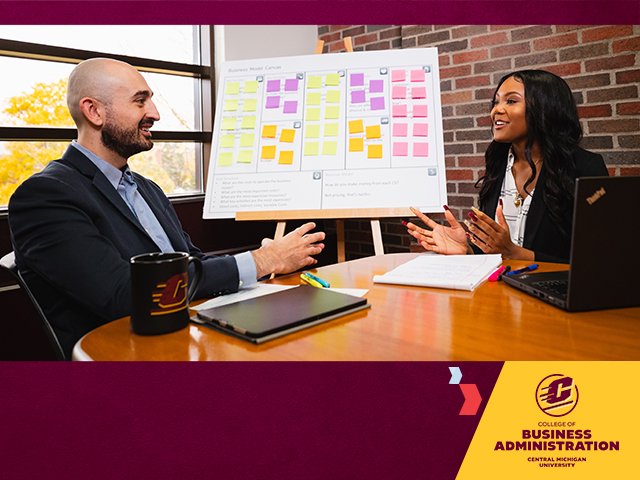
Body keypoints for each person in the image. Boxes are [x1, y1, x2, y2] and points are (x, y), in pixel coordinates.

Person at [8, 58, 325, 358]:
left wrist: (260, 261)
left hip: (190, 340)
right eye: (140, 100)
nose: (155, 113)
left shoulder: (147, 189)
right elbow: (126, 294)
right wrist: (259, 261)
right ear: (93, 111)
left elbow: (192, 263)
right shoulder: (44, 196)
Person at [406, 69, 608, 263]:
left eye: (511, 101)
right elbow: (496, 252)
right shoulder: (498, 166)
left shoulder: (584, 168)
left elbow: (597, 260)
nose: (496, 110)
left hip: (555, 296)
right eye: (496, 102)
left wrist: (516, 253)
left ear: (546, 107)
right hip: (500, 293)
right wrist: (467, 249)